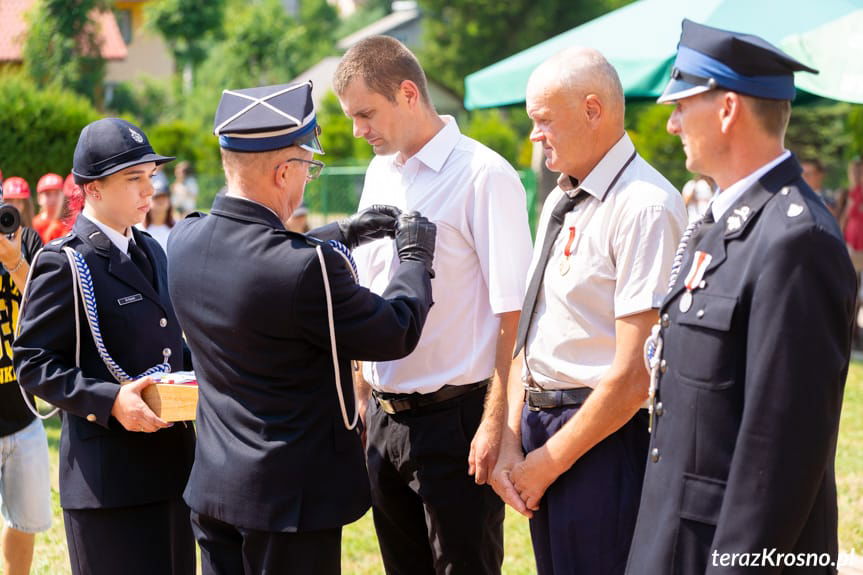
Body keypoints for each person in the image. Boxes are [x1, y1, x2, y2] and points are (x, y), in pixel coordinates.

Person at [167, 80, 437, 575]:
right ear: (282, 171)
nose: (307, 181)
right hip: (289, 504)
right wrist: (415, 258)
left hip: (216, 489)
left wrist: (343, 232)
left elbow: (254, 255)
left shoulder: (185, 238)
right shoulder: (307, 267)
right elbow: (395, 329)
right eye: (308, 169)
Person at [626, 20, 857, 575]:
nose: (673, 121)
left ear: (727, 109)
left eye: (682, 104)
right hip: (675, 534)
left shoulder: (795, 239)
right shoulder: (721, 222)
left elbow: (781, 453)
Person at [334, 36, 532, 575]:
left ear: (407, 93)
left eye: (365, 114)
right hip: (383, 420)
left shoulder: (484, 175)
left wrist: (497, 423)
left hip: (457, 423)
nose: (357, 130)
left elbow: (514, 311)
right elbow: (369, 286)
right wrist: (358, 388)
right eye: (351, 117)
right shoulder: (380, 173)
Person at [488, 47, 686, 575]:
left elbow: (635, 373)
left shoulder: (644, 206)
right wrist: (511, 439)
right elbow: (530, 325)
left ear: (592, 110)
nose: (535, 135)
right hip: (542, 429)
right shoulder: (561, 198)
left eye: (544, 120)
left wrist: (543, 466)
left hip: (601, 440)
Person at [13, 118, 197, 575]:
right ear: (91, 190)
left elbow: (170, 345)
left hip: (172, 471)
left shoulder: (152, 250)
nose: (147, 190)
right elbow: (33, 363)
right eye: (133, 178)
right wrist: (111, 400)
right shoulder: (65, 262)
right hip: (107, 484)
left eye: (150, 176)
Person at [0, 177, 50, 575]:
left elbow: (49, 305)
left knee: (26, 522)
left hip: (24, 413)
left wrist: (14, 261)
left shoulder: (21, 236)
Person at [32, 173, 70, 243]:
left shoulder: (69, 225)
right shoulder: (32, 225)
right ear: (39, 198)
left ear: (63, 196)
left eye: (56, 193)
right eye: (48, 194)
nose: (53, 199)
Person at [138, 179, 174, 252]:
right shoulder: (138, 229)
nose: (160, 200)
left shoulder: (178, 228)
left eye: (164, 197)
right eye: (156, 197)